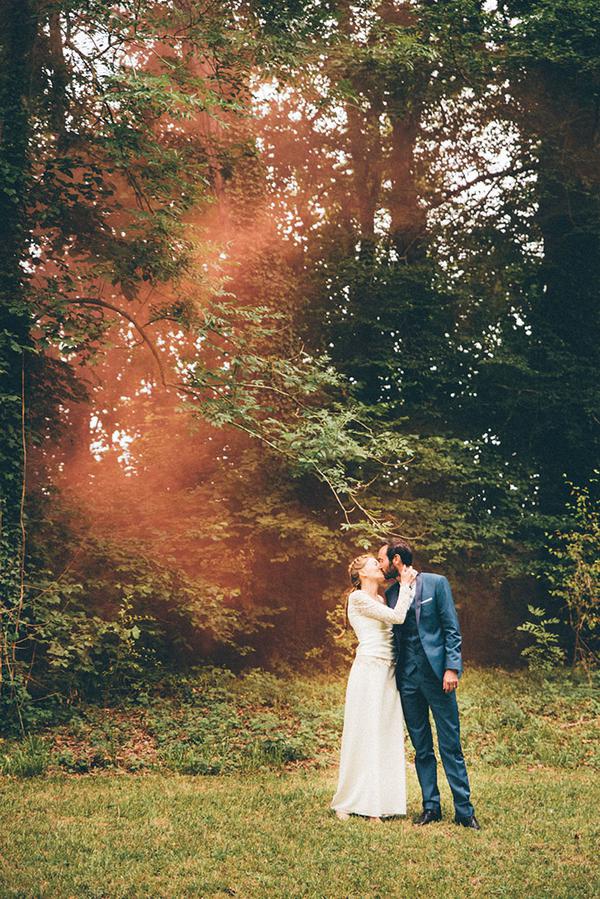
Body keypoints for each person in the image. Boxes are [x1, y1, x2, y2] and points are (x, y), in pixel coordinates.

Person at [377, 539, 481, 830]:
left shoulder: (436, 584)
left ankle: (464, 810)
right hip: (407, 680)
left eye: (382, 559)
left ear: (396, 560)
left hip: (438, 677)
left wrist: (451, 668)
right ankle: (431, 807)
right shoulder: (392, 593)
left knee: (450, 744)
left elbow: (451, 629)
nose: (381, 566)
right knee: (421, 747)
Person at [330, 554, 415, 821]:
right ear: (362, 574)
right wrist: (406, 584)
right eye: (373, 563)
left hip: (388, 671)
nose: (379, 565)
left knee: (384, 734)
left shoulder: (381, 598)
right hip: (369, 670)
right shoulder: (357, 598)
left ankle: (380, 803)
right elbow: (397, 617)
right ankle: (349, 802)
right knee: (364, 733)